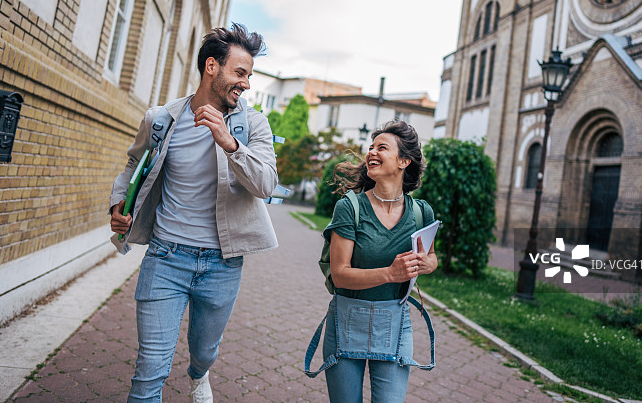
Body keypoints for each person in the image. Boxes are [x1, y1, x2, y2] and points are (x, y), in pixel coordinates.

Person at [109, 23, 278, 403]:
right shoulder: (162, 119)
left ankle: (199, 373)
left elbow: (266, 183)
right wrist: (120, 205)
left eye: (249, 75)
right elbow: (134, 165)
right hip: (165, 258)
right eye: (240, 73)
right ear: (212, 68)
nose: (246, 84)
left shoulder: (252, 125)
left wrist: (230, 143)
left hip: (222, 265)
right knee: (150, 370)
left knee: (204, 350)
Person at [316, 120, 438, 402]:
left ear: (404, 161)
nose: (371, 152)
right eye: (370, 147)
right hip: (346, 321)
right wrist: (390, 273)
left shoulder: (421, 213)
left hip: (395, 324)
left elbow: (431, 257)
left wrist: (429, 264)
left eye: (382, 147)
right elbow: (340, 275)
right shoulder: (350, 207)